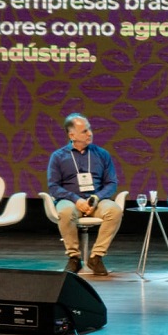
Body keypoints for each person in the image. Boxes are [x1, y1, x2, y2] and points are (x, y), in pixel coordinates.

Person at [46, 113, 122, 276]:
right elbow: (53, 187)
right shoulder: (58, 157)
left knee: (114, 210)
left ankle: (96, 257)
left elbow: (111, 183)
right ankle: (74, 258)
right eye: (85, 131)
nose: (90, 134)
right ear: (71, 135)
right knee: (65, 212)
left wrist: (97, 197)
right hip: (69, 199)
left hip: (96, 199)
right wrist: (76, 199)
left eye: (90, 130)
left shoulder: (102, 154)